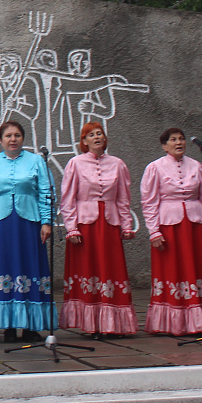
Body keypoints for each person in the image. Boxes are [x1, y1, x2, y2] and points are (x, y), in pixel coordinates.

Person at [140, 128, 202, 335]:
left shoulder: (197, 166)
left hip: (195, 226)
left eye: (181, 139)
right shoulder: (155, 168)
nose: (179, 143)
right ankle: (171, 323)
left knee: (197, 269)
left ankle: (200, 321)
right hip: (169, 228)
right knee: (172, 270)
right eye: (173, 140)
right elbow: (149, 203)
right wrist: (154, 231)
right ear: (164, 146)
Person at [0, 120, 53, 342]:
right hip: (0, 225)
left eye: (17, 135)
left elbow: (46, 192)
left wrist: (46, 221)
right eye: (8, 136)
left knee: (30, 268)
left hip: (29, 223)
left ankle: (30, 326)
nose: (13, 139)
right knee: (5, 268)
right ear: (0, 140)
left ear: (23, 138)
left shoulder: (36, 161)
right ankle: (8, 325)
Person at [59, 122, 137, 337]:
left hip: (109, 225)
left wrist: (126, 225)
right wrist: (71, 228)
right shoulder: (75, 163)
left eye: (99, 133)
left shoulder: (118, 164)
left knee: (110, 269)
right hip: (85, 226)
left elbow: (123, 199)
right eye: (91, 135)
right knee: (89, 269)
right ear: (84, 141)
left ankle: (113, 323)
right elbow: (68, 199)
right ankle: (91, 323)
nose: (96, 137)